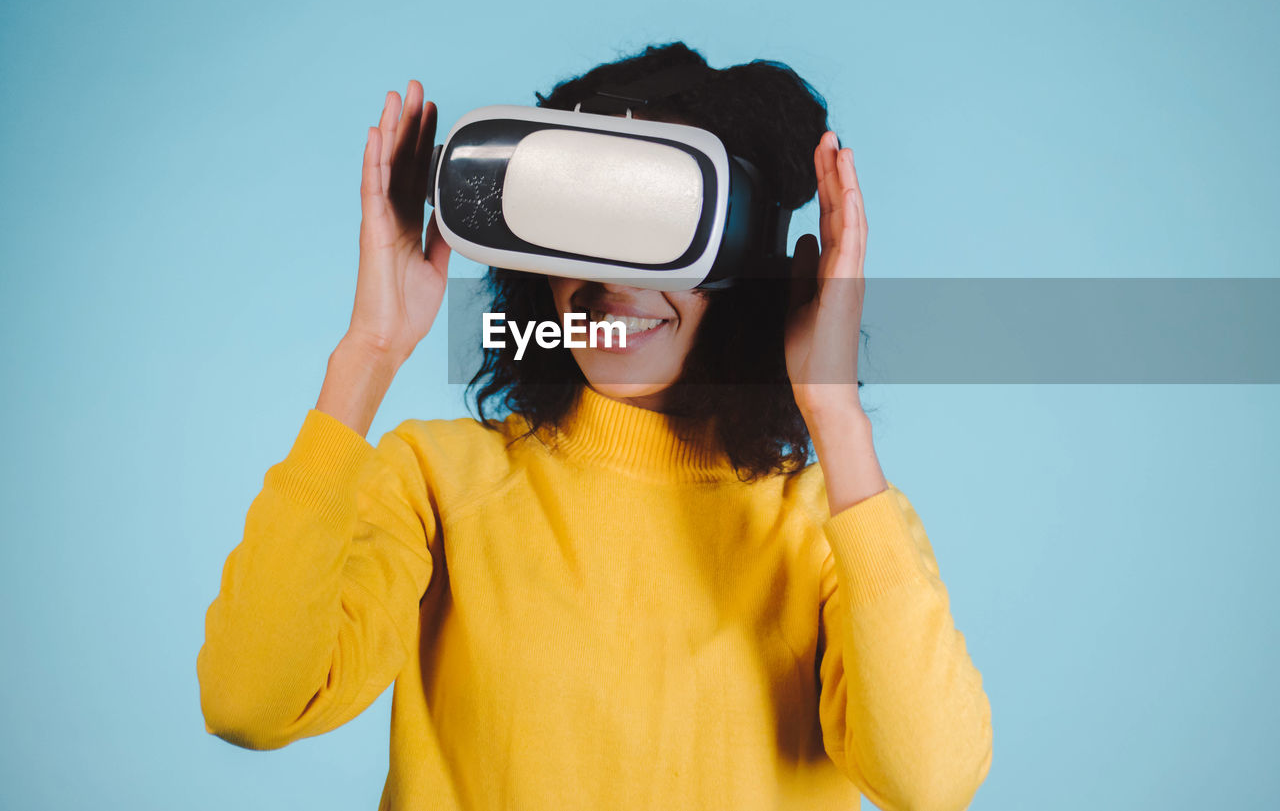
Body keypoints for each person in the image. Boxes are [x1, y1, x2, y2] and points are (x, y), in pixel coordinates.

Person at [197, 42, 993, 811]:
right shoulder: (436, 484)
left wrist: (835, 412)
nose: (615, 278)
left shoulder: (838, 527)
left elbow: (929, 781)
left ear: (741, 259)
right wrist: (368, 352)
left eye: (659, 221)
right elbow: (252, 699)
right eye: (581, 217)